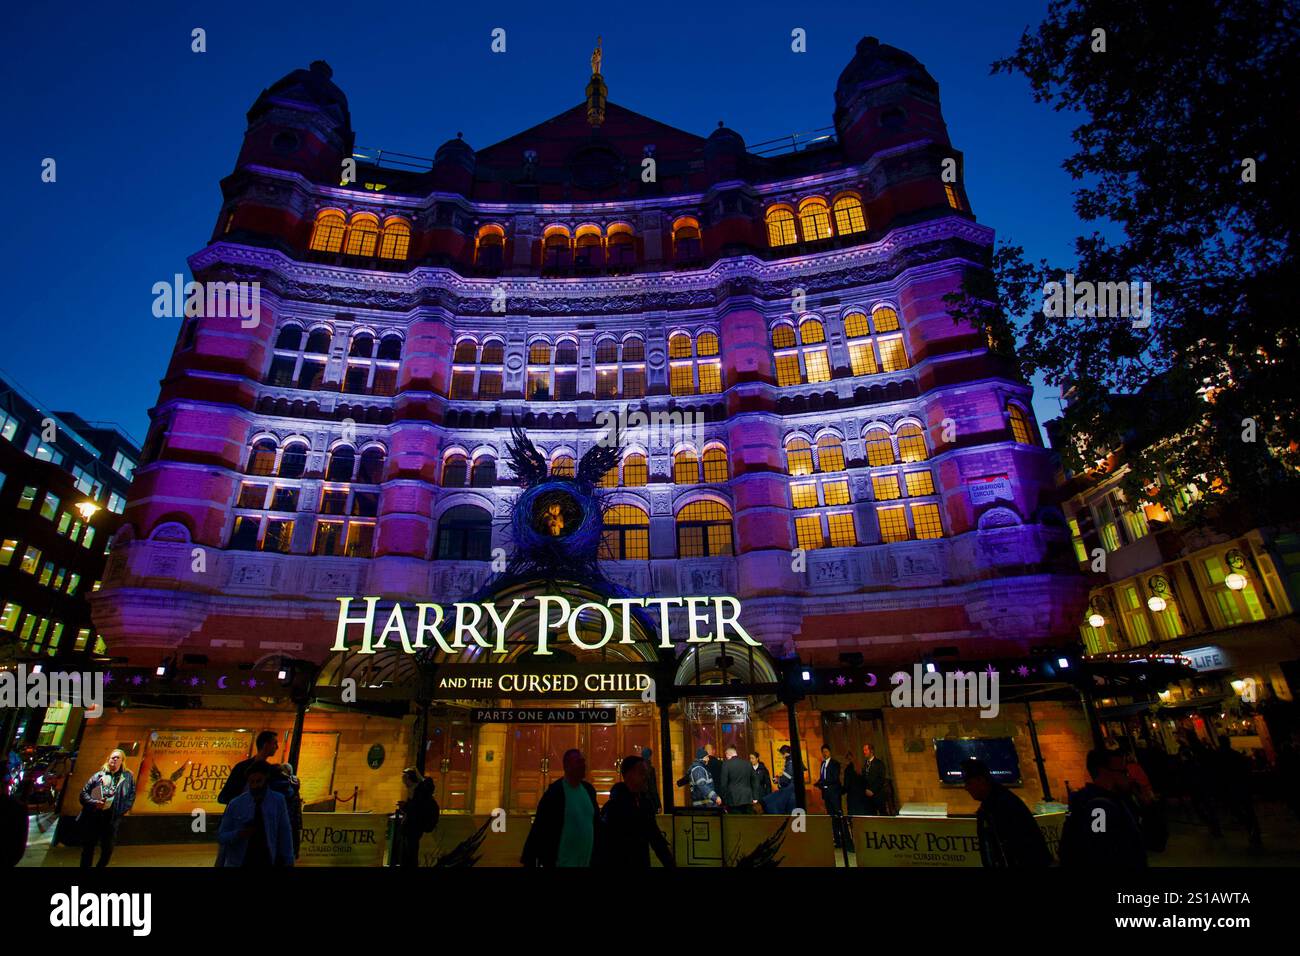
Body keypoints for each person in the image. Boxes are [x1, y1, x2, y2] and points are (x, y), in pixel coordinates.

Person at [1058, 748, 1147, 868]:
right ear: (1105, 772)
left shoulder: (1112, 800)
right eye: (1124, 772)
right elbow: (1099, 848)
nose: (1129, 777)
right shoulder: (1099, 807)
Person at [961, 758, 1051, 868]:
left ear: (981, 780)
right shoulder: (999, 802)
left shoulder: (999, 806)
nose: (966, 788)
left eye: (969, 783)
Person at [521, 749, 599, 867]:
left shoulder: (588, 790)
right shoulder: (555, 793)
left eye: (583, 762)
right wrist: (530, 858)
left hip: (585, 860)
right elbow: (540, 827)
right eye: (578, 762)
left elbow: (595, 822)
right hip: (562, 861)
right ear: (566, 765)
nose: (583, 765)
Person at [596, 755, 674, 867]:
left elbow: (655, 837)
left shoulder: (645, 804)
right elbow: (606, 845)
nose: (646, 777)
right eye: (642, 773)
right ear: (629, 775)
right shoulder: (614, 808)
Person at [217, 761, 295, 867]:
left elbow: (284, 832)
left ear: (266, 780)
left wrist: (288, 859)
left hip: (265, 859)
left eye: (258, 781)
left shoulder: (277, 801)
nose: (255, 785)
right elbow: (221, 836)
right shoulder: (236, 804)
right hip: (241, 860)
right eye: (252, 782)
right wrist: (239, 833)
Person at [77, 748, 135, 867]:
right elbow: (83, 794)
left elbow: (131, 796)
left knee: (107, 849)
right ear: (108, 759)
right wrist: (94, 802)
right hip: (94, 816)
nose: (114, 759)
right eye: (112, 757)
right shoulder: (98, 776)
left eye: (117, 757)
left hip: (112, 819)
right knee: (88, 848)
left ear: (122, 761)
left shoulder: (127, 778)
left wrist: (121, 811)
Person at [1214, 737, 1262, 848]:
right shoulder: (1235, 755)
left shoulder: (1220, 757)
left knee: (1237, 810)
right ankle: (1253, 829)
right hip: (1240, 786)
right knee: (1247, 810)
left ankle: (1251, 828)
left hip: (1231, 787)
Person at [218, 730, 279, 805]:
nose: (277, 747)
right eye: (275, 743)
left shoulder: (241, 766)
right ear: (265, 745)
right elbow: (225, 796)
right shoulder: (242, 767)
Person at [396, 767, 439, 867]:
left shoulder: (419, 791)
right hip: (412, 828)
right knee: (409, 855)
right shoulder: (417, 791)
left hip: (413, 829)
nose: (405, 783)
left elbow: (416, 810)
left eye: (406, 780)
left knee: (410, 856)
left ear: (410, 779)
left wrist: (405, 806)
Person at [815, 745, 845, 847]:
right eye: (823, 752)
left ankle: (843, 838)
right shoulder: (822, 764)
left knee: (838, 815)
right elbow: (822, 777)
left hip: (834, 793)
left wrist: (822, 783)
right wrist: (819, 783)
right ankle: (837, 840)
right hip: (827, 794)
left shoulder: (834, 763)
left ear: (830, 752)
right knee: (831, 816)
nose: (824, 753)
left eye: (826, 751)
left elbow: (834, 778)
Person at [719, 746, 755, 811]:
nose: (726, 758)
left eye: (726, 756)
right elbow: (754, 780)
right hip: (747, 797)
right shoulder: (747, 763)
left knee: (735, 819)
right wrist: (755, 797)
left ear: (728, 754)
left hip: (733, 798)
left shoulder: (726, 764)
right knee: (748, 819)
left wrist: (724, 798)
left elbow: (723, 783)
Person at [861, 743, 888, 815]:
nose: (864, 752)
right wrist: (865, 789)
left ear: (871, 751)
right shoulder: (865, 764)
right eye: (863, 750)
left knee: (883, 814)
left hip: (878, 795)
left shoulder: (879, 763)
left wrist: (872, 790)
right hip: (868, 797)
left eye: (866, 750)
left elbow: (881, 779)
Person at [641, 748, 661, 815]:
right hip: (649, 800)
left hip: (640, 800)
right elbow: (653, 788)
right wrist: (658, 804)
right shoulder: (650, 769)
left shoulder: (638, 768)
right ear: (649, 756)